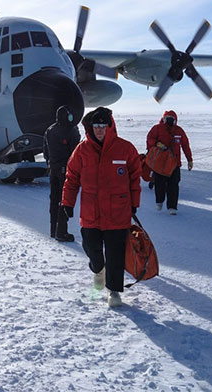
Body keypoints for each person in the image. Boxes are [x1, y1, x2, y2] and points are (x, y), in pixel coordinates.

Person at [60, 107, 141, 308]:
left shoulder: (125, 149)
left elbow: (135, 178)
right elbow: (71, 178)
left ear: (109, 126)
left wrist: (134, 204)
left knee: (115, 253)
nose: (99, 130)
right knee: (91, 248)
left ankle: (113, 291)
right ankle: (98, 269)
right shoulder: (82, 150)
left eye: (103, 126)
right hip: (91, 212)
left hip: (118, 212)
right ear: (91, 127)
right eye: (96, 126)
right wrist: (67, 202)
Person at [44, 105, 81, 241]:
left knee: (54, 200)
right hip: (65, 170)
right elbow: (76, 152)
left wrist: (50, 162)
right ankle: (62, 231)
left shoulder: (50, 129)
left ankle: (53, 229)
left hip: (53, 168)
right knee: (64, 200)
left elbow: (45, 151)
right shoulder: (71, 130)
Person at [146, 110, 193, 215]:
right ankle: (159, 201)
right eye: (168, 118)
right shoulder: (157, 128)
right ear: (164, 119)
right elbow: (149, 139)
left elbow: (185, 145)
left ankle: (172, 207)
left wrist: (189, 159)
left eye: (172, 119)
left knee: (174, 185)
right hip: (160, 163)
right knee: (159, 184)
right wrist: (156, 144)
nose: (170, 121)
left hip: (174, 164)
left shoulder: (179, 131)